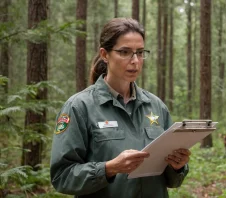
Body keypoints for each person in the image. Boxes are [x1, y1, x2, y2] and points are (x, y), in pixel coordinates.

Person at [50, 18, 191, 198]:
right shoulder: (79, 107)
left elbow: (173, 181)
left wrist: (177, 167)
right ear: (104, 54)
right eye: (124, 52)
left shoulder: (156, 106)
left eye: (140, 53)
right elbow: (62, 177)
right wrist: (109, 169)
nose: (135, 61)